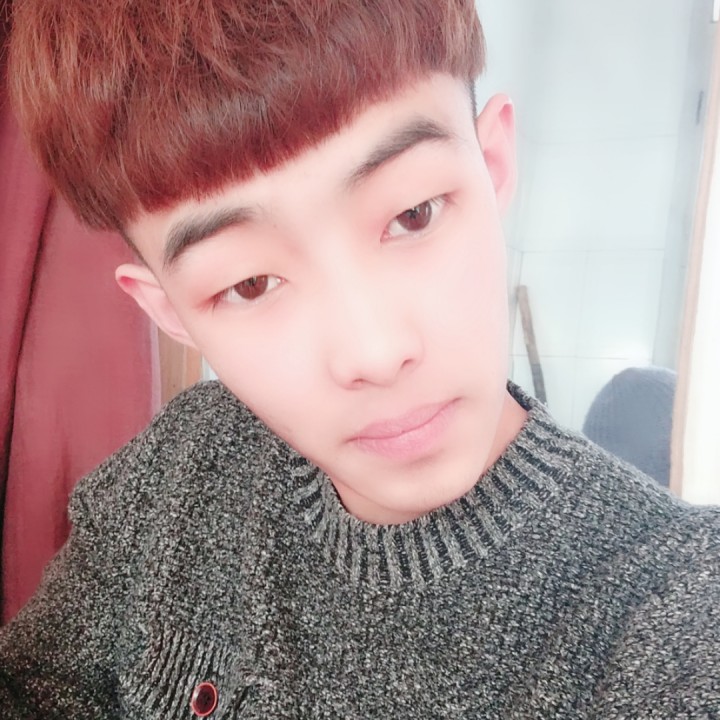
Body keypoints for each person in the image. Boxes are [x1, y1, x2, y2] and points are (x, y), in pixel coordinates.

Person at [2, 1, 719, 717]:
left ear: (494, 165)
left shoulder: (676, 612)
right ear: (169, 313)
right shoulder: (179, 466)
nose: (374, 353)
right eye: (250, 284)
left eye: (414, 214)